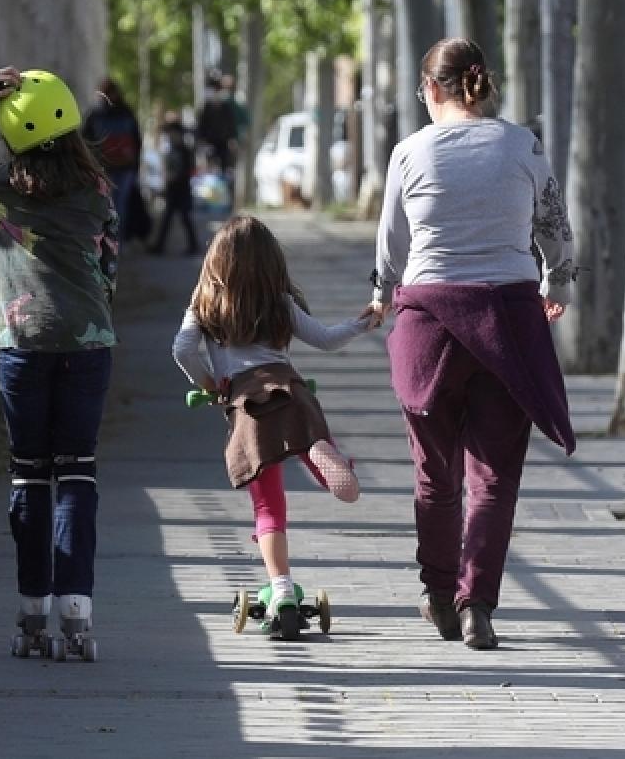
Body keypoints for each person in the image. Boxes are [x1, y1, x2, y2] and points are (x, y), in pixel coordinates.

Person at [367, 38, 578, 650]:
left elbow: (392, 243)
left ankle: (436, 591)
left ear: (433, 89)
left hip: (429, 322)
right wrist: (557, 281)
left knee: (434, 473)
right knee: (494, 474)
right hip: (508, 318)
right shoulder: (522, 146)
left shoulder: (409, 152)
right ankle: (475, 604)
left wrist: (381, 295)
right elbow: (555, 226)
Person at [0, 67, 118, 659]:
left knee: (31, 475)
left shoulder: (3, 183)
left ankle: (33, 608)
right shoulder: (97, 192)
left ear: (13, 134)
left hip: (22, 344)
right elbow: (110, 268)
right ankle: (78, 610)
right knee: (77, 473)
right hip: (88, 345)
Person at [173, 216, 373, 639]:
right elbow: (325, 338)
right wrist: (363, 323)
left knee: (268, 507)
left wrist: (212, 385)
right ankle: (329, 463)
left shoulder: (205, 303)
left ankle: (281, 589)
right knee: (308, 437)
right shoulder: (279, 301)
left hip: (248, 407)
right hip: (290, 390)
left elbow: (183, 349)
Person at [83, 77, 144, 243]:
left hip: (113, 169)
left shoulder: (96, 114)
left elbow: (85, 142)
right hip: (113, 169)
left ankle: (112, 241)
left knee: (112, 207)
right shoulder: (120, 113)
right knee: (116, 207)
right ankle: (114, 241)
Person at [149, 111, 200, 256]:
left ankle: (193, 245)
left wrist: (176, 177)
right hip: (173, 189)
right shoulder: (171, 150)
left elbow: (187, 170)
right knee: (168, 218)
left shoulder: (184, 150)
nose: (171, 137)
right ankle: (159, 246)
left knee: (185, 218)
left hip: (182, 189)